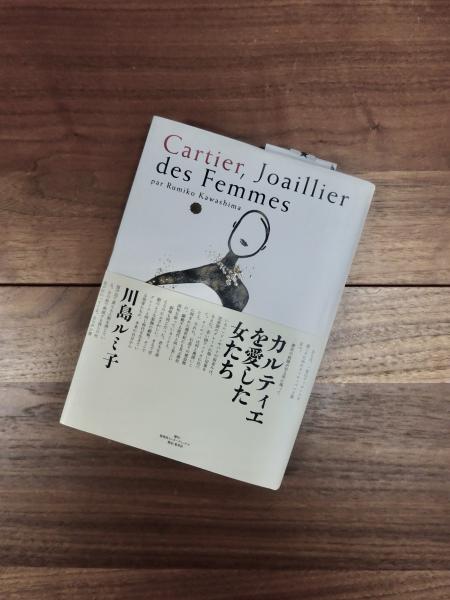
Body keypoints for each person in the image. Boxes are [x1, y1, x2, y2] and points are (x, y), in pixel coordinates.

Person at [148, 209, 270, 311]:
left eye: (256, 235)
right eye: (246, 227)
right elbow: (163, 281)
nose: (247, 237)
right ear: (235, 225)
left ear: (262, 247)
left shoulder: (241, 295)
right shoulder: (205, 268)